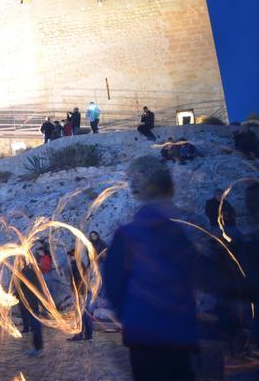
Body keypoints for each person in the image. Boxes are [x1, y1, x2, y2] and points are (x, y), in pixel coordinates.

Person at [103, 156, 198, 381]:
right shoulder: (178, 234)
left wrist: (131, 317)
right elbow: (193, 277)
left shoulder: (127, 235)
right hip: (176, 334)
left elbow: (114, 285)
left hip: (146, 335)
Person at [17, 259, 44, 357]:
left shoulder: (27, 272)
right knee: (34, 325)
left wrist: (18, 294)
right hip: (30, 301)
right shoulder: (28, 271)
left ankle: (38, 349)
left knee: (35, 325)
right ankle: (37, 348)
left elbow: (26, 287)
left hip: (30, 302)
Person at [66, 249, 93, 342]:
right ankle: (89, 336)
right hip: (87, 292)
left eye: (69, 256)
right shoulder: (82, 264)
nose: (68, 259)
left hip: (80, 293)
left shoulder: (74, 265)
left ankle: (79, 336)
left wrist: (75, 293)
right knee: (86, 315)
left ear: (72, 256)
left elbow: (74, 282)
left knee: (79, 315)